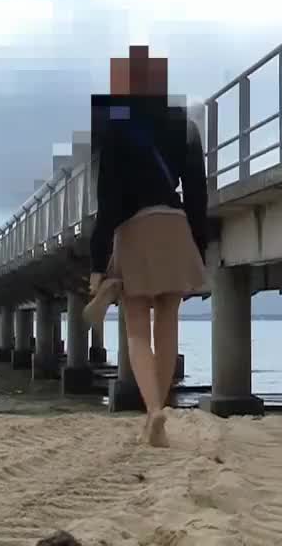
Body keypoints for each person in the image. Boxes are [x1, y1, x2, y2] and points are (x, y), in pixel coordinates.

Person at [84, 48, 208, 448]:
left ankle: (153, 411)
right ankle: (162, 407)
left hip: (134, 229)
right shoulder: (183, 126)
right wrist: (199, 247)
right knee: (168, 324)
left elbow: (107, 203)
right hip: (174, 226)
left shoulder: (115, 128)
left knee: (137, 330)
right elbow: (198, 194)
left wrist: (98, 264)